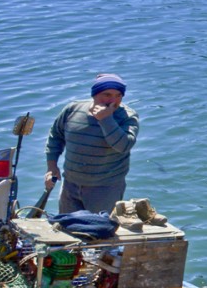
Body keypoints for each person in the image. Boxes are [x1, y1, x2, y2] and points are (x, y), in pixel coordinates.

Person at [45, 73, 140, 214]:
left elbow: (124, 146)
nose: (113, 100)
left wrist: (106, 119)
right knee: (68, 229)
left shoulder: (127, 117)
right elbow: (55, 137)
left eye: (118, 95)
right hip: (70, 185)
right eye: (107, 95)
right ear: (94, 94)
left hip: (105, 189)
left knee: (99, 232)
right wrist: (52, 167)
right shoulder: (72, 109)